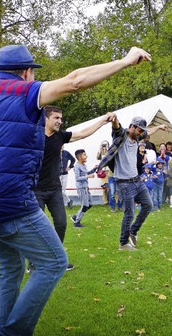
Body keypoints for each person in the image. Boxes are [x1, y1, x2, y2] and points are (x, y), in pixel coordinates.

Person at [0, 44, 152, 336]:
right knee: (54, 263)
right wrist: (126, 60)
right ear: (26, 72)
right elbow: (76, 80)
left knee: (11, 266)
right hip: (12, 204)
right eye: (32, 72)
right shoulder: (24, 91)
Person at [34, 106, 112, 271]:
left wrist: (102, 121)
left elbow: (83, 133)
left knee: (61, 223)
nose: (60, 122)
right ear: (46, 119)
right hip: (36, 190)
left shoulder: (60, 136)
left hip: (54, 189)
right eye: (56, 118)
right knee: (37, 228)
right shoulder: (34, 135)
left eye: (61, 119)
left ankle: (57, 259)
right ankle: (34, 261)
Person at [95, 116, 166, 251]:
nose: (141, 134)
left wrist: (159, 127)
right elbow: (116, 127)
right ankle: (123, 243)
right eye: (139, 130)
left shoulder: (137, 137)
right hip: (124, 183)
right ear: (132, 126)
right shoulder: (121, 136)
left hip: (137, 180)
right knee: (129, 213)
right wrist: (114, 119)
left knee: (148, 205)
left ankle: (133, 231)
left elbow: (148, 132)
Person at [70, 149, 96, 228]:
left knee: (90, 204)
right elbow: (77, 178)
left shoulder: (84, 165)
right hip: (81, 188)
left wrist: (93, 170)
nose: (86, 156)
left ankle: (75, 216)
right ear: (80, 157)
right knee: (85, 205)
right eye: (84, 155)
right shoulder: (77, 167)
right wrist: (88, 176)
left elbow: (86, 173)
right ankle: (77, 222)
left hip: (86, 187)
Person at [97, 140, 122, 212]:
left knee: (119, 192)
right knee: (111, 192)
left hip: (118, 175)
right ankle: (112, 207)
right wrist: (101, 150)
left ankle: (119, 206)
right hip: (110, 174)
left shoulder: (117, 155)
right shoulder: (106, 154)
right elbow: (100, 158)